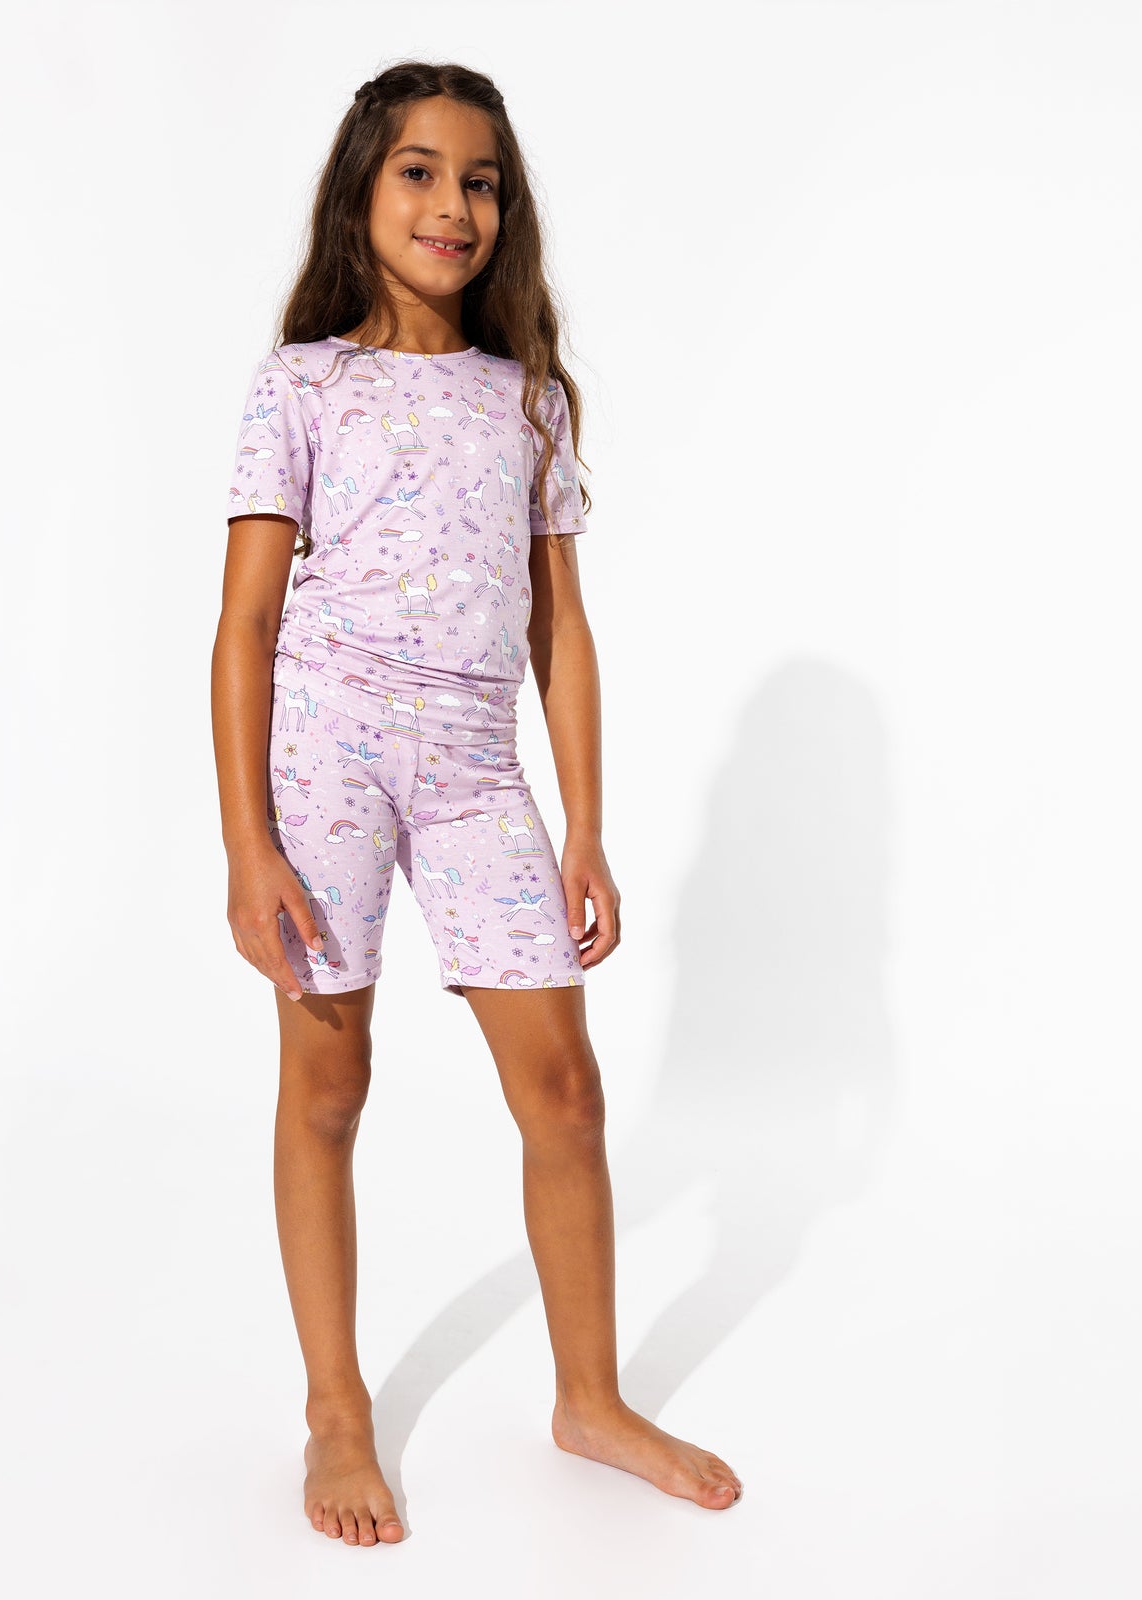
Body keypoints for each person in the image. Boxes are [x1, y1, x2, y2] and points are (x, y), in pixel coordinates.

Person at [210, 60, 742, 1547]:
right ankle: (335, 1408)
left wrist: (586, 825)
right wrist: (249, 843)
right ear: (362, 191)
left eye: (483, 181)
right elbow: (244, 624)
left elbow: (559, 631)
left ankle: (591, 1397)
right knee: (328, 1087)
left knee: (563, 1092)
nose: (455, 205)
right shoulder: (301, 384)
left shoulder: (527, 402)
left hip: (471, 767)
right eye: (421, 172)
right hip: (327, 749)